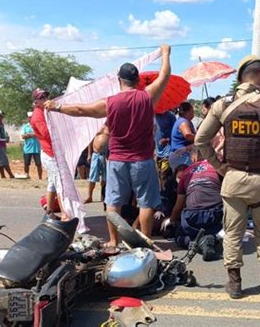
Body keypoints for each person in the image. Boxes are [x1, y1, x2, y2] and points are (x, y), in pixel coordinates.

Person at [195, 55, 260, 299]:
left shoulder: (222, 104)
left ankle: (234, 285)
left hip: (232, 178)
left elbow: (200, 139)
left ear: (240, 77)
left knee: (232, 233)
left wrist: (217, 165)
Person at [44, 44, 171, 246]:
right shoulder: (147, 97)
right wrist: (165, 54)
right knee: (146, 203)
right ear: (138, 80)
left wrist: (56, 106)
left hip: (117, 161)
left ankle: (113, 241)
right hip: (143, 161)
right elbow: (164, 76)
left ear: (119, 80)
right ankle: (145, 241)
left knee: (113, 203)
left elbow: (79, 109)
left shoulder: (110, 103)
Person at [163, 149, 223, 261]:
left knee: (179, 237)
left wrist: (171, 220)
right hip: (215, 213)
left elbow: (179, 205)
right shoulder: (217, 167)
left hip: (192, 217)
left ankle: (194, 242)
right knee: (231, 230)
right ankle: (211, 239)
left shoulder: (186, 172)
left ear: (194, 158)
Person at [30, 88, 67, 220]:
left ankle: (49, 212)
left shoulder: (45, 111)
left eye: (46, 96)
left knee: (52, 183)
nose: (45, 99)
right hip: (50, 154)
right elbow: (47, 133)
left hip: (51, 152)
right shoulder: (38, 115)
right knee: (60, 185)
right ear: (36, 101)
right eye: (42, 97)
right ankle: (65, 215)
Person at [84, 126, 109, 204]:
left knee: (106, 177)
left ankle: (103, 195)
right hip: (96, 154)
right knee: (92, 176)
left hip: (107, 155)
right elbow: (90, 140)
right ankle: (89, 196)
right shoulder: (97, 126)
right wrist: (89, 154)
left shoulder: (110, 126)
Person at [170, 102, 196, 166]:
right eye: (192, 110)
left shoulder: (187, 121)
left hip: (183, 154)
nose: (193, 112)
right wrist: (203, 138)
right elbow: (188, 136)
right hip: (180, 155)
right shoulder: (183, 122)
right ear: (188, 111)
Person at [21, 111, 42, 179]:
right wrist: (31, 135)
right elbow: (23, 136)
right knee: (26, 164)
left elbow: (40, 134)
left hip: (36, 148)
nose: (31, 119)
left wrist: (29, 135)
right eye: (30, 117)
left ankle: (40, 177)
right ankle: (27, 176)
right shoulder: (25, 126)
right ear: (28, 118)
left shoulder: (38, 125)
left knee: (38, 164)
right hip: (27, 149)